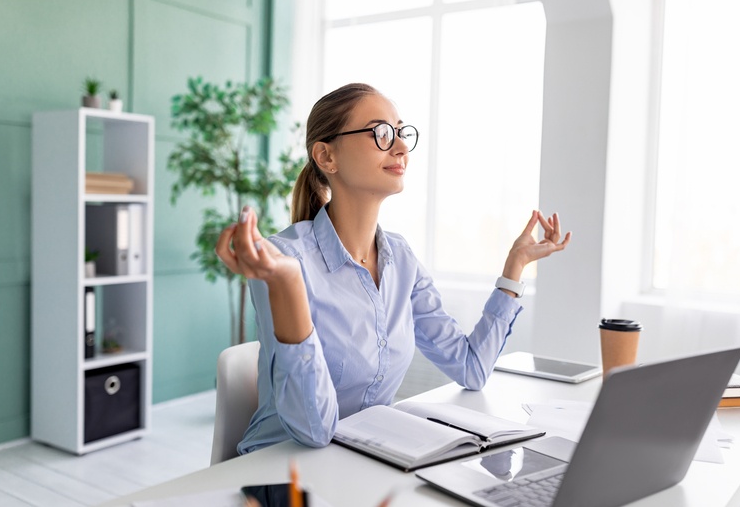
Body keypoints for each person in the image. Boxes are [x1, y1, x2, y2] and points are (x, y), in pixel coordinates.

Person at [215, 83, 571, 455]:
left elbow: (471, 369)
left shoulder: (400, 259)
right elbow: (313, 430)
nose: (400, 147)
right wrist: (287, 282)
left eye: (401, 132)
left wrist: (515, 268)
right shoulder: (283, 260)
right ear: (326, 156)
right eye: (381, 133)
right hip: (279, 470)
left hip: (361, 460)